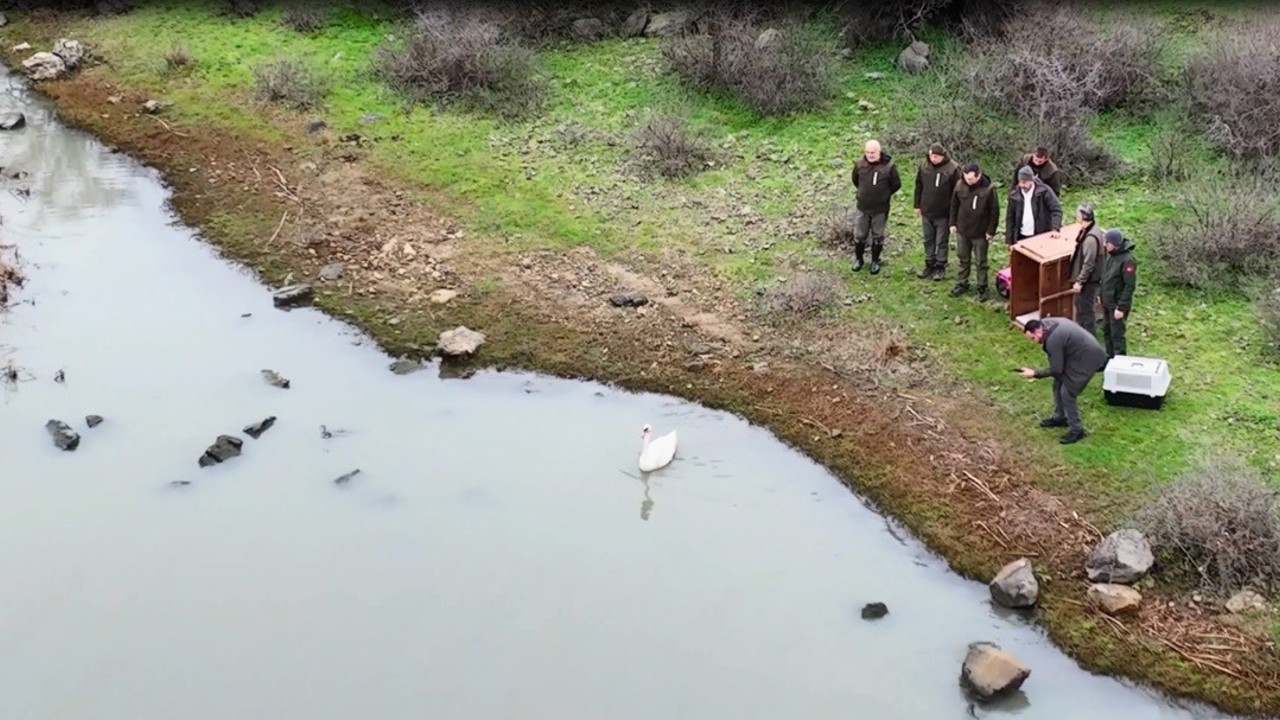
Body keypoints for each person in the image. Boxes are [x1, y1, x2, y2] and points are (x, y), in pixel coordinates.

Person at [1019, 317, 1108, 445]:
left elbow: (1056, 369)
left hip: (1088, 358)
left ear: (1038, 331)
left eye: (1033, 338)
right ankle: (1060, 417)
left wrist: (1035, 373)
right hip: (1077, 352)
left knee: (1068, 392)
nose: (1034, 342)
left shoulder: (1053, 340)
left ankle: (1076, 430)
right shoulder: (1047, 325)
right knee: (1058, 382)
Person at [948, 162, 1000, 301]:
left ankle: (982, 287)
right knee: (963, 259)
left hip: (980, 233)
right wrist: (952, 223)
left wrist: (991, 231)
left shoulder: (988, 190)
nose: (968, 181)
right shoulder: (960, 185)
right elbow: (954, 204)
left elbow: (994, 212)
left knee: (981, 262)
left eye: (970, 179)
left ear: (978, 176)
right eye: (966, 178)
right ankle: (962, 283)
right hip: (963, 230)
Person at [851, 139, 902, 275]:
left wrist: (884, 195)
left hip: (880, 209)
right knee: (860, 235)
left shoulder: (889, 166)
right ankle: (859, 259)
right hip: (862, 207)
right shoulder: (860, 164)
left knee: (878, 235)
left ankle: (875, 261)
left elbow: (896, 184)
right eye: (867, 152)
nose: (870, 155)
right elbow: (855, 180)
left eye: (872, 152)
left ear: (879, 151)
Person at [913, 143, 960, 281]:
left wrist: (954, 215)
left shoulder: (953, 169)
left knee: (941, 241)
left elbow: (958, 192)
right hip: (927, 211)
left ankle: (940, 266)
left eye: (936, 157)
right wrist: (917, 205)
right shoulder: (924, 166)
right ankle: (929, 264)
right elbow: (918, 185)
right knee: (928, 239)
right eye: (932, 156)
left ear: (942, 156)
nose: (934, 159)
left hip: (944, 213)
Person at [1100, 228, 1137, 359]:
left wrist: (1121, 307)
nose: (1105, 244)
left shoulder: (1128, 260)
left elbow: (1129, 286)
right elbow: (1106, 278)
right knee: (1107, 331)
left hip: (1117, 305)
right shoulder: (1111, 255)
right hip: (1107, 302)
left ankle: (1120, 362)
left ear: (1114, 243)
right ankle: (1109, 359)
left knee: (1117, 335)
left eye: (1107, 242)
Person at [1069, 203, 1105, 336]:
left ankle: (1088, 337)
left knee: (1085, 310)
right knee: (1081, 307)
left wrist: (1079, 281)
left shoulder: (1090, 239)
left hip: (1088, 282)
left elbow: (1088, 263)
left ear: (1082, 217)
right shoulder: (1093, 229)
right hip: (1089, 280)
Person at [1005, 165, 1062, 245]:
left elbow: (1056, 209)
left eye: (1024, 182)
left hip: (1040, 235)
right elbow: (1010, 219)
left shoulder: (1044, 191)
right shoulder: (1014, 196)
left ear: (1031, 180)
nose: (1021, 185)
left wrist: (1055, 229)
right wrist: (1009, 241)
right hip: (1021, 236)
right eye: (1020, 181)